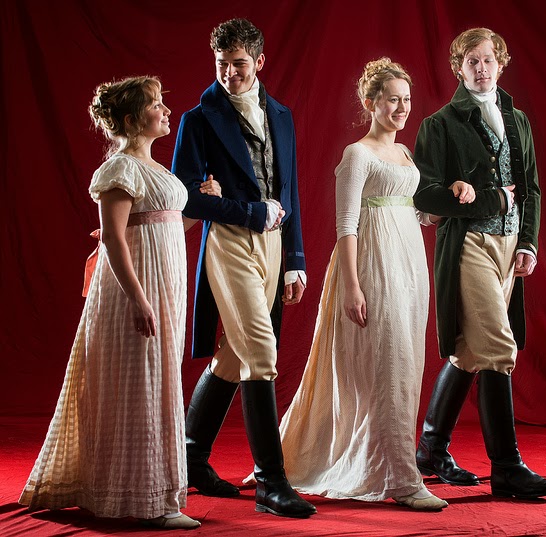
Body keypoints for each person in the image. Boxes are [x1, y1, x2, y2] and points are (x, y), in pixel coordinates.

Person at [18, 76, 206, 529]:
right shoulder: (121, 168)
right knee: (140, 384)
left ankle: (154, 494)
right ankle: (145, 500)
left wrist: (199, 206)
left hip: (164, 285)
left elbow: (161, 226)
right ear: (132, 119)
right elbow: (115, 240)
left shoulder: (155, 168)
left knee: (159, 379)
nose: (166, 110)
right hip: (134, 289)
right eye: (156, 104)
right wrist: (138, 298)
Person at [271, 58, 447, 511]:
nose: (402, 108)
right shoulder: (358, 154)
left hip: (410, 267)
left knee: (406, 363)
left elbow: (415, 211)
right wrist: (351, 285)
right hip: (372, 265)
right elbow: (346, 224)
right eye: (392, 100)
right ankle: (402, 478)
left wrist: (451, 197)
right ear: (370, 103)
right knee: (386, 365)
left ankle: (392, 462)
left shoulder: (405, 154)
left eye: (406, 100)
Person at [171, 18, 315, 518]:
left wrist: (295, 260)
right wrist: (249, 212)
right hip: (230, 241)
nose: (229, 74)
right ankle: (271, 483)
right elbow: (186, 198)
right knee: (260, 350)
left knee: (235, 356)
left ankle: (190, 457)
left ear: (259, 61)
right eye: (221, 65)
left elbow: (289, 192)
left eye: (238, 64)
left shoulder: (282, 115)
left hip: (274, 245)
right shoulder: (197, 118)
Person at [412, 27, 546, 499]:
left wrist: (528, 242)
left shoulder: (517, 120)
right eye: (471, 62)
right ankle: (507, 467)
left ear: (500, 63)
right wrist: (489, 199)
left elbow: (531, 188)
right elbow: (425, 195)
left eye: (488, 60)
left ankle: (430, 449)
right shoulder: (439, 124)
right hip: (469, 243)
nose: (481, 69)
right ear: (458, 68)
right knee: (498, 346)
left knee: (471, 352)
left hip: (509, 245)